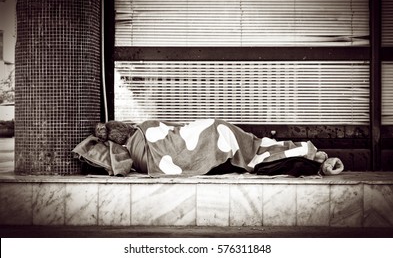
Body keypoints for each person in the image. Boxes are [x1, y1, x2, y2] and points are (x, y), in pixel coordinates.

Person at [73, 119, 344, 177]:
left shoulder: (135, 152)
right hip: (212, 131)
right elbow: (169, 129)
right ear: (127, 128)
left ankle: (300, 153)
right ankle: (300, 151)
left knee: (249, 147)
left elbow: (172, 133)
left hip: (207, 135)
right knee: (251, 146)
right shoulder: (143, 128)